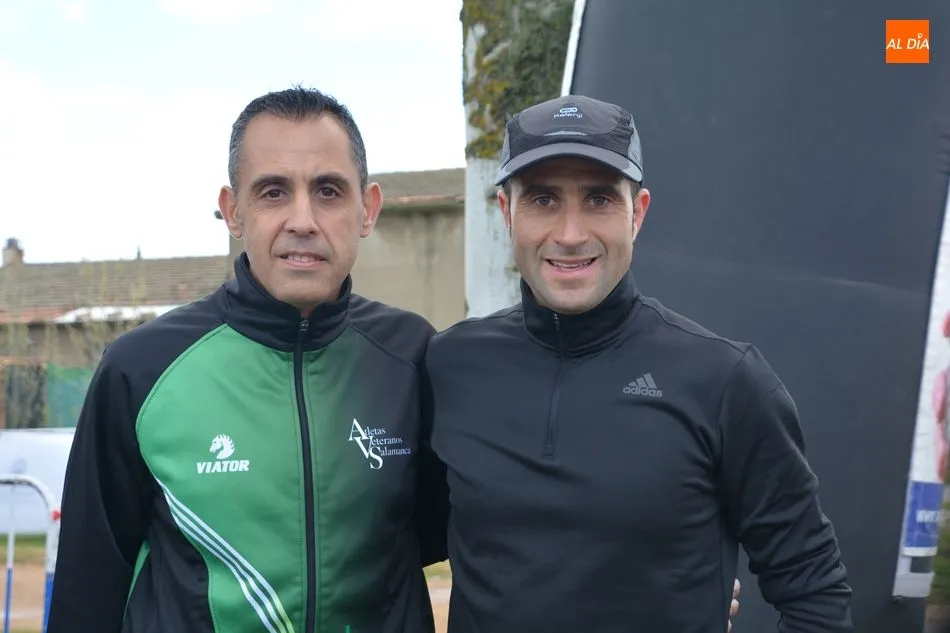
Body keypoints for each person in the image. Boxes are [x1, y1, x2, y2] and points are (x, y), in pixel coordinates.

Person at [423, 94, 853, 632]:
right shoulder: (450, 365)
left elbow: (814, 592)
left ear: (638, 213)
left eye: (600, 198)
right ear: (508, 213)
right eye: (543, 199)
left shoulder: (724, 381)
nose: (571, 234)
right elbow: (387, 542)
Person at [46, 86, 447, 633]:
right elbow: (88, 583)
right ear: (233, 211)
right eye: (273, 192)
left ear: (367, 209)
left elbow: (431, 534)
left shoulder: (412, 356)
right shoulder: (141, 368)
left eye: (328, 191)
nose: (303, 220)